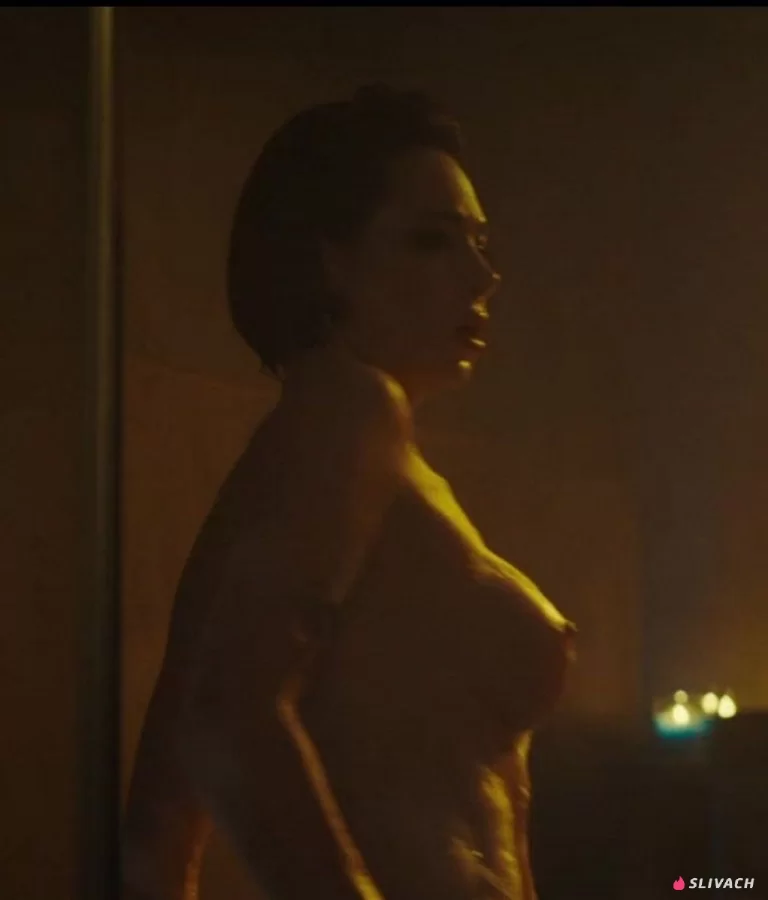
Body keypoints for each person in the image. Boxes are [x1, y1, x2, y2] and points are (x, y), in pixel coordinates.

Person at [121, 84, 577, 900]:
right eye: (432, 241)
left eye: (479, 243)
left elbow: (159, 827)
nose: (483, 276)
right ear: (332, 262)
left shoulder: (330, 459)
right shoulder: (351, 410)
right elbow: (223, 723)